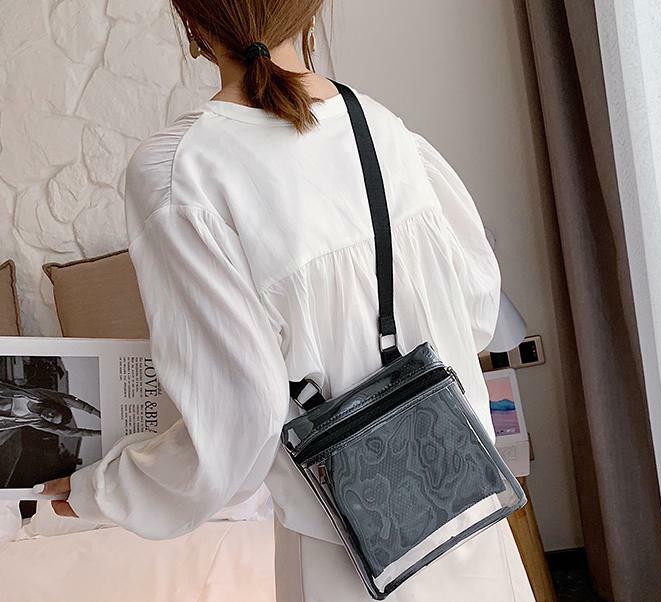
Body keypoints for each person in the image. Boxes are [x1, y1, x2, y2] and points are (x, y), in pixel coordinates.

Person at [39, 1, 535, 600]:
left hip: (344, 555)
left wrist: (102, 490)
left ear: (193, 24)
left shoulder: (180, 174)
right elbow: (477, 310)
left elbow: (238, 426)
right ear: (311, 12)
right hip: (467, 512)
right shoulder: (382, 129)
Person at [0, 380, 101, 437]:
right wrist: (100, 415)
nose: (49, 416)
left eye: (51, 420)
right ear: (54, 407)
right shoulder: (38, 395)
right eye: (53, 414)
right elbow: (75, 402)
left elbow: (68, 432)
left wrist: (98, 433)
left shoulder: (36, 421)